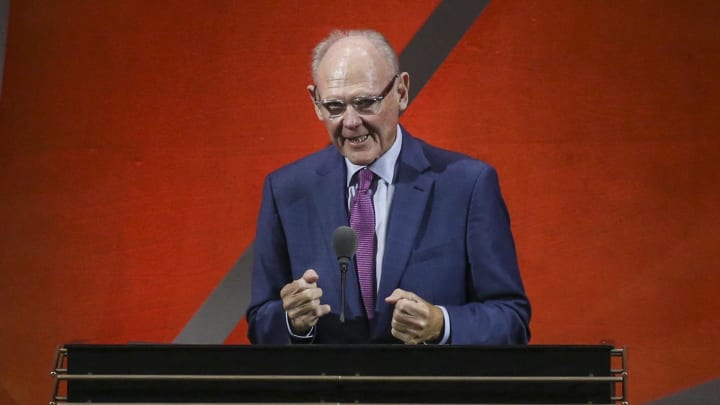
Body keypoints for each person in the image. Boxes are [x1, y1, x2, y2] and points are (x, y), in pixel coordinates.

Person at [246, 29, 530, 344]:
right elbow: (261, 321)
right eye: (335, 107)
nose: (351, 121)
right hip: (332, 391)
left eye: (366, 102)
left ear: (401, 91)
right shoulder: (286, 190)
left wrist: (442, 324)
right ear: (315, 102)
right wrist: (292, 322)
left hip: (426, 390)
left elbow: (511, 319)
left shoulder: (467, 185)